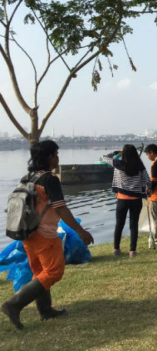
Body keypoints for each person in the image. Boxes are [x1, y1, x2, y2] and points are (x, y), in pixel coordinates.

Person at [2, 140, 93, 330]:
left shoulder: (28, 177)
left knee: (39, 272)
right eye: (56, 154)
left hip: (28, 233)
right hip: (44, 234)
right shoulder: (49, 179)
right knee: (53, 272)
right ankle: (14, 304)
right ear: (49, 156)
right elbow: (61, 209)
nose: (58, 158)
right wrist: (81, 231)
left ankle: (45, 310)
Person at [101, 145, 150, 258]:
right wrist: (147, 189)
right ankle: (132, 251)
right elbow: (147, 180)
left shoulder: (118, 164)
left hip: (122, 199)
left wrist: (115, 152)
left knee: (119, 224)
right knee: (133, 225)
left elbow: (103, 158)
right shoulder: (140, 166)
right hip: (136, 200)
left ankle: (116, 249)